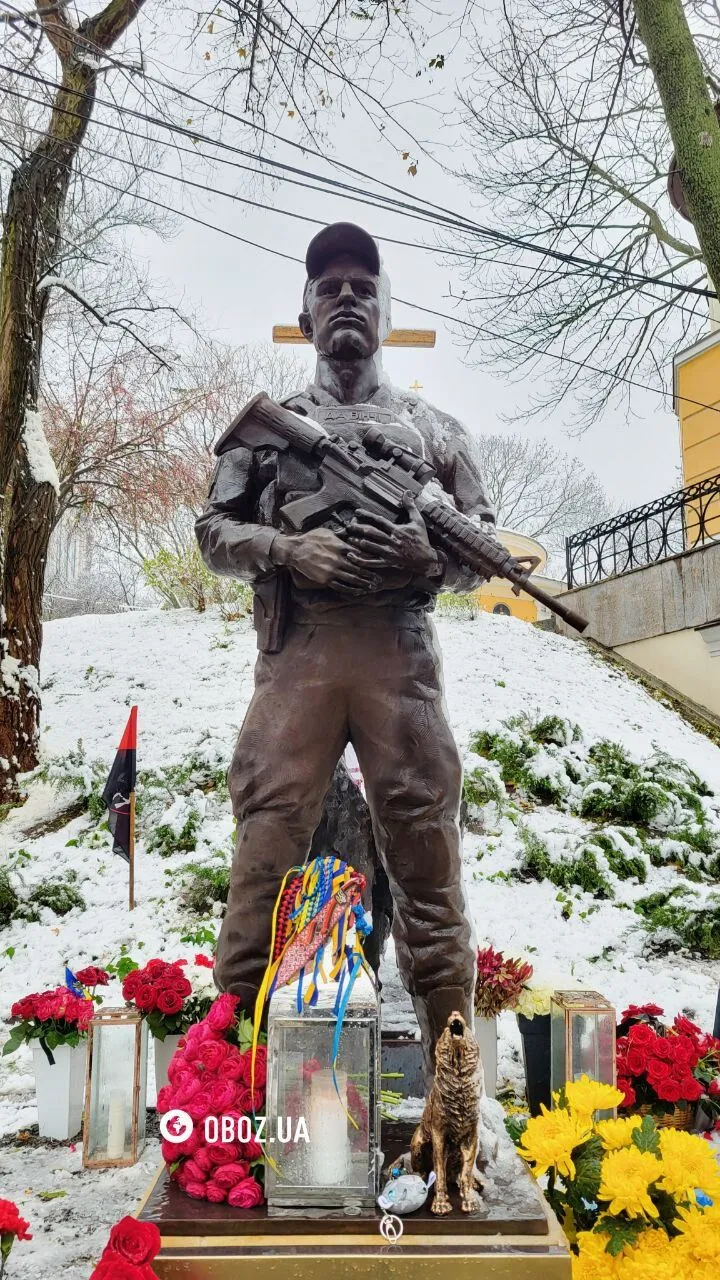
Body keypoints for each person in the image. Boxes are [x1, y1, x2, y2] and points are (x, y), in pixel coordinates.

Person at [195, 222, 497, 1078]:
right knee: (263, 856)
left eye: (363, 283)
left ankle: (453, 1090)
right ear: (304, 313)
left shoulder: (436, 429)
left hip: (402, 663)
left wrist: (427, 558)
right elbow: (213, 532)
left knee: (429, 865)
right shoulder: (269, 428)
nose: (347, 295)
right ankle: (225, 1079)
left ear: (389, 308)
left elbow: (483, 545)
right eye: (328, 286)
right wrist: (289, 551)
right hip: (299, 660)